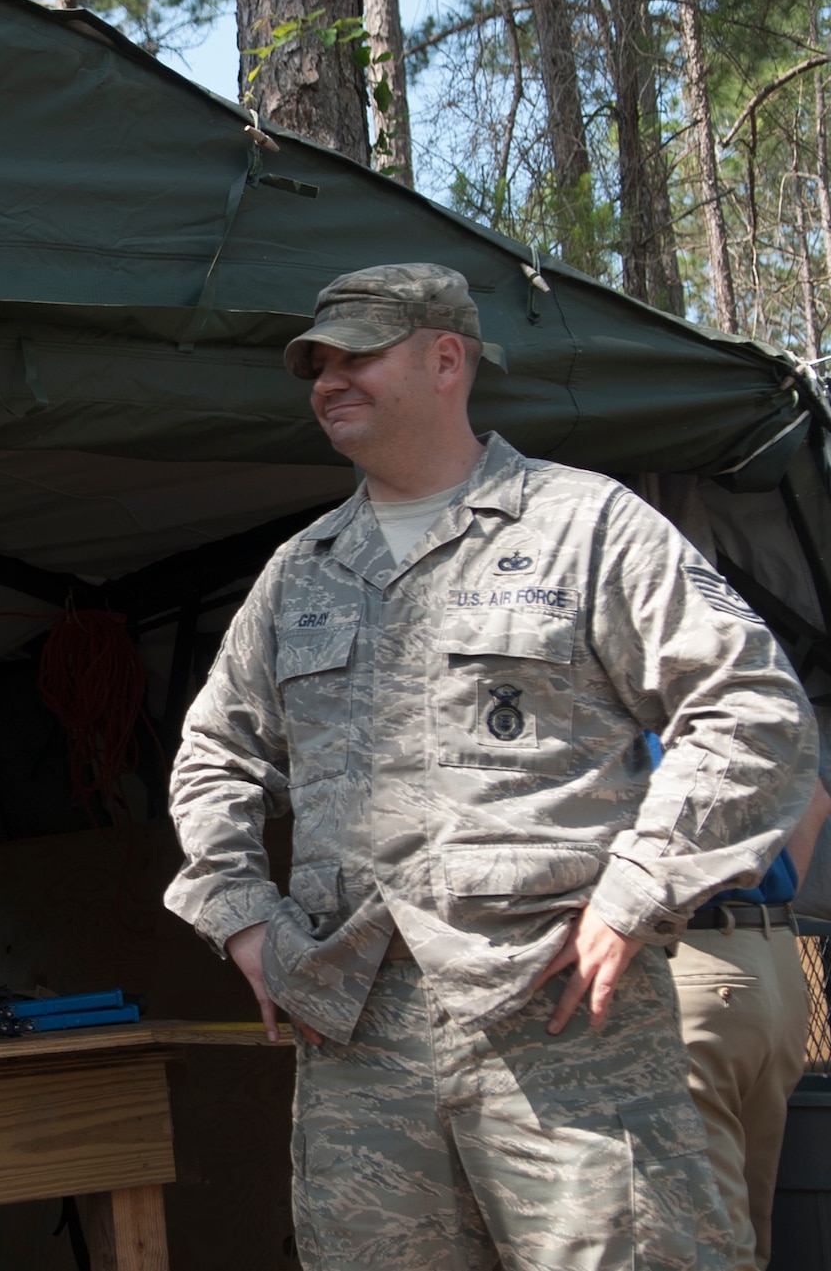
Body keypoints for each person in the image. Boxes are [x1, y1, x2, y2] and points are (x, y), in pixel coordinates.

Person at [164, 264, 816, 1270]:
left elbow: (751, 707)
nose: (328, 379)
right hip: (358, 1037)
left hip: (561, 1023)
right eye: (316, 364)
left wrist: (636, 890)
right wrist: (241, 916)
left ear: (443, 359)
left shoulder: (584, 525)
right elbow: (212, 754)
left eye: (357, 355)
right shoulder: (300, 572)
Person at [668, 751, 827, 1271]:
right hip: (771, 949)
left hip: (691, 947)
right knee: (745, 1231)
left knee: (701, 1234)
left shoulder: (640, 696)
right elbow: (814, 797)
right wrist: (769, 895)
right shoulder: (748, 687)